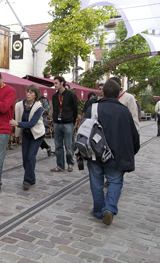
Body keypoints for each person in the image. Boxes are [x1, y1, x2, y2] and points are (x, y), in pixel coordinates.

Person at [85, 79, 139, 226]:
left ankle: (98, 211)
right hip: (117, 154)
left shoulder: (93, 108)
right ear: (118, 94)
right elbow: (134, 135)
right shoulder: (124, 111)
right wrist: (133, 151)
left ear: (103, 92)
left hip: (95, 152)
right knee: (115, 181)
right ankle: (109, 208)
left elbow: (83, 131)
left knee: (96, 182)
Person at [10, 84, 45, 190]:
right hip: (26, 134)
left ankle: (27, 181)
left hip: (37, 134)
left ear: (36, 95)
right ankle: (32, 178)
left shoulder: (38, 107)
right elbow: (14, 116)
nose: (28, 94)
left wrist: (17, 124)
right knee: (25, 158)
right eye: (27, 92)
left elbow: (32, 123)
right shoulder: (20, 104)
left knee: (30, 157)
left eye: (31, 92)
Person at [50, 76, 78, 172]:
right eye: (54, 83)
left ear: (62, 83)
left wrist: (72, 121)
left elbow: (75, 110)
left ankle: (70, 163)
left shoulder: (71, 95)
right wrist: (54, 119)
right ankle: (60, 166)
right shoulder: (54, 96)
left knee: (68, 145)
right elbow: (54, 109)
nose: (54, 85)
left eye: (56, 83)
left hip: (67, 123)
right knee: (58, 146)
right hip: (57, 123)